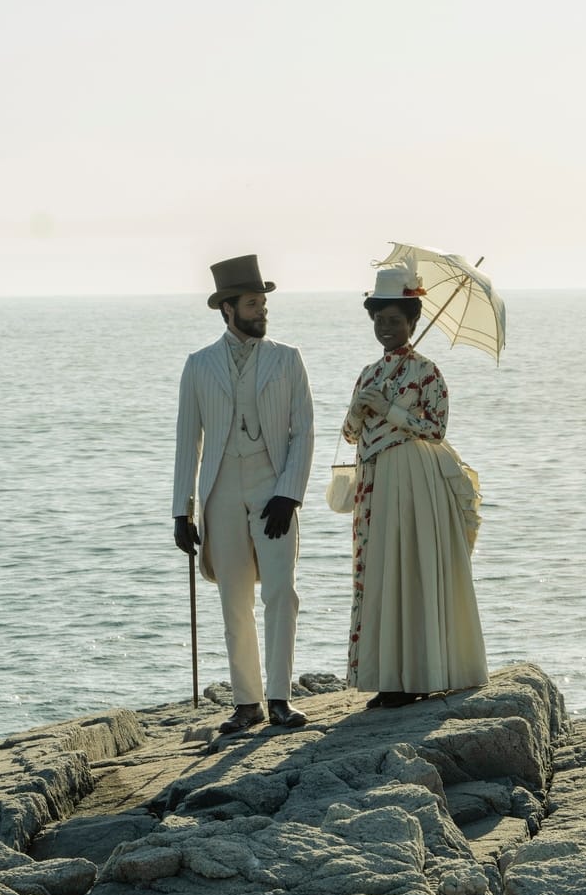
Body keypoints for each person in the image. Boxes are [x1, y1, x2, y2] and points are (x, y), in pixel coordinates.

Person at [173, 255, 315, 735]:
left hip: (272, 485)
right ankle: (247, 702)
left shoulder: (287, 358)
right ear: (227, 309)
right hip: (219, 493)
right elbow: (187, 441)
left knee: (282, 593)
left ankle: (280, 698)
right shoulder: (198, 366)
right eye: (253, 304)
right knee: (233, 598)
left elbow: (304, 432)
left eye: (264, 303)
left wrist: (290, 494)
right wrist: (182, 512)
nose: (262, 311)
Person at [342, 262, 487, 708]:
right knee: (383, 570)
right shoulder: (369, 373)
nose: (387, 328)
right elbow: (349, 434)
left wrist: (389, 410)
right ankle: (389, 678)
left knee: (412, 567)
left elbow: (436, 428)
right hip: (376, 480)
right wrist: (361, 409)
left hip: (417, 480)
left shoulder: (428, 373)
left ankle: (421, 674)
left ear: (412, 323)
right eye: (380, 320)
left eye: (395, 321)